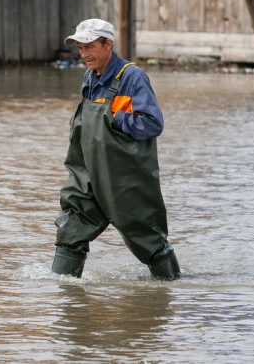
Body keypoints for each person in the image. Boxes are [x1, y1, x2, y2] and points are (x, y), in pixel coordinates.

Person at [50, 19, 181, 280]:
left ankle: (171, 288)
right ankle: (62, 300)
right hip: (87, 175)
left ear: (108, 44)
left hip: (125, 179)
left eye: (90, 47)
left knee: (148, 241)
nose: (84, 54)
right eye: (80, 48)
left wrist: (116, 118)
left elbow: (153, 124)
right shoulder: (89, 76)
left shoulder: (132, 77)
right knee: (70, 232)